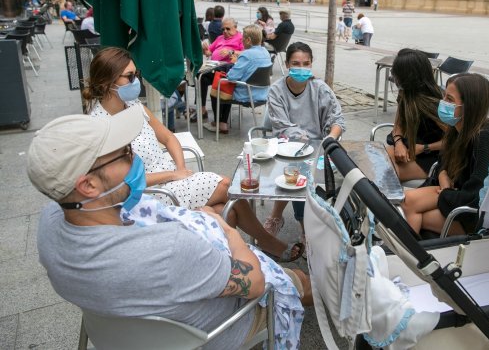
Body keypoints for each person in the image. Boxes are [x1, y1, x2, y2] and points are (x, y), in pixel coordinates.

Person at [27, 108, 311, 348]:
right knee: (297, 279)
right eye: (125, 153)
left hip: (116, 332)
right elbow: (255, 284)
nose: (136, 160)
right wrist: (228, 231)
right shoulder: (168, 248)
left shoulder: (50, 223)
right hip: (212, 333)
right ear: (88, 186)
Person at [83, 47, 303, 262]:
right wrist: (171, 175)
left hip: (172, 179)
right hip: (150, 194)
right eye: (129, 77)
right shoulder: (99, 127)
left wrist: (179, 169)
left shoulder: (133, 105)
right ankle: (264, 246)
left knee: (221, 212)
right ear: (107, 81)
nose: (135, 82)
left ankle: (236, 259)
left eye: (136, 75)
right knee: (227, 187)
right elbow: (121, 183)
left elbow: (169, 138)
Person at [401, 73, 489, 236]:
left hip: (476, 215)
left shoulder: (487, 138)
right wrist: (443, 174)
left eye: (449, 99)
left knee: (418, 214)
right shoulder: (457, 129)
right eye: (444, 96)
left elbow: (477, 194)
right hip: (457, 195)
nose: (443, 103)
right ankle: (410, 251)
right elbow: (443, 161)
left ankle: (413, 255)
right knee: (407, 200)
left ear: (469, 106)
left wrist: (446, 194)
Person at [263, 42, 346, 239]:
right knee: (297, 171)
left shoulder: (320, 89)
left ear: (311, 64)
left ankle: (297, 220)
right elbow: (283, 127)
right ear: (287, 63)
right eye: (296, 63)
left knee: (315, 172)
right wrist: (306, 142)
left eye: (306, 63)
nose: (301, 68)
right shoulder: (276, 90)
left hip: (318, 147)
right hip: (286, 148)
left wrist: (330, 139)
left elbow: (337, 120)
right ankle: (297, 223)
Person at [387, 49, 445, 182]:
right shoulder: (405, 94)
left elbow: (457, 140)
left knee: (386, 175)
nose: (394, 78)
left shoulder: (434, 104)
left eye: (396, 74)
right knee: (373, 161)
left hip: (434, 156)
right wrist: (398, 142)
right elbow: (399, 124)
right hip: (412, 146)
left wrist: (425, 148)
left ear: (408, 77)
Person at [209, 25, 272, 134]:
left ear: (248, 40)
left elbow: (232, 77)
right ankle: (222, 122)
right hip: (262, 93)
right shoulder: (265, 52)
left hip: (246, 95)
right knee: (225, 85)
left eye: (243, 38)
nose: (241, 40)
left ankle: (220, 123)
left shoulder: (247, 54)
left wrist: (235, 63)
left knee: (218, 88)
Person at [195, 17, 244, 122]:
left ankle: (220, 120)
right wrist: (205, 48)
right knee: (200, 77)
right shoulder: (219, 38)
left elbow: (245, 53)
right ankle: (202, 108)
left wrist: (231, 51)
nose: (225, 31)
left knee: (216, 83)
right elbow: (208, 53)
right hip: (214, 68)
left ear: (235, 28)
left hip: (228, 71)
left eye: (228, 29)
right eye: (223, 29)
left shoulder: (241, 38)